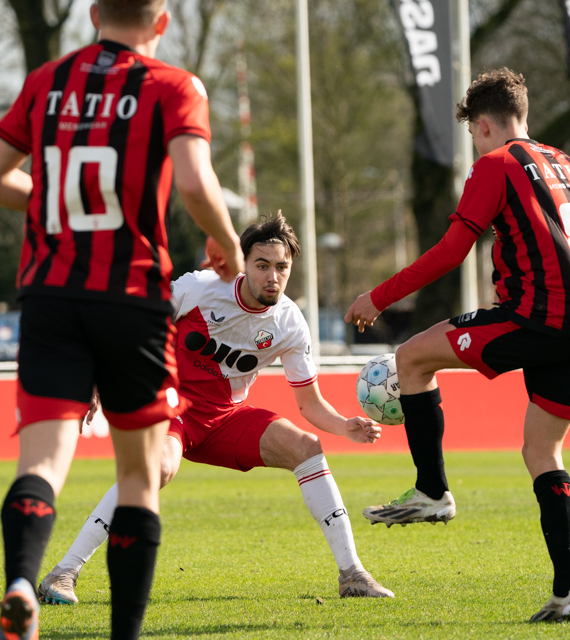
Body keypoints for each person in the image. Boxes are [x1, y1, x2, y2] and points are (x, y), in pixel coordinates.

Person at [345, 68, 570, 623]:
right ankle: (569, 594)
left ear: (482, 127)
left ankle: (432, 492)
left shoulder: (494, 165)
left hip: (537, 318)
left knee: (411, 357)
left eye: (473, 132)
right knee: (541, 453)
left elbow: (453, 250)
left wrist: (378, 297)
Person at [0, 1, 244, 638]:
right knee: (138, 477)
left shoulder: (46, 81)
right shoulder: (173, 86)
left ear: (93, 13)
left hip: (49, 296)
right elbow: (197, 187)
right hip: (130, 297)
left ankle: (20, 581)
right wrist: (226, 245)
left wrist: (51, 211)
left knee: (41, 465)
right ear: (163, 21)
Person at [37, 214, 393, 606]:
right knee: (157, 469)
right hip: (168, 405)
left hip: (224, 418)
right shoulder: (200, 287)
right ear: (242, 263)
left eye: (282, 267)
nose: (272, 276)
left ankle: (353, 574)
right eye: (262, 265)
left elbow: (309, 403)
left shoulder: (290, 323)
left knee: (306, 447)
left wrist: (344, 426)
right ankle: (64, 571)